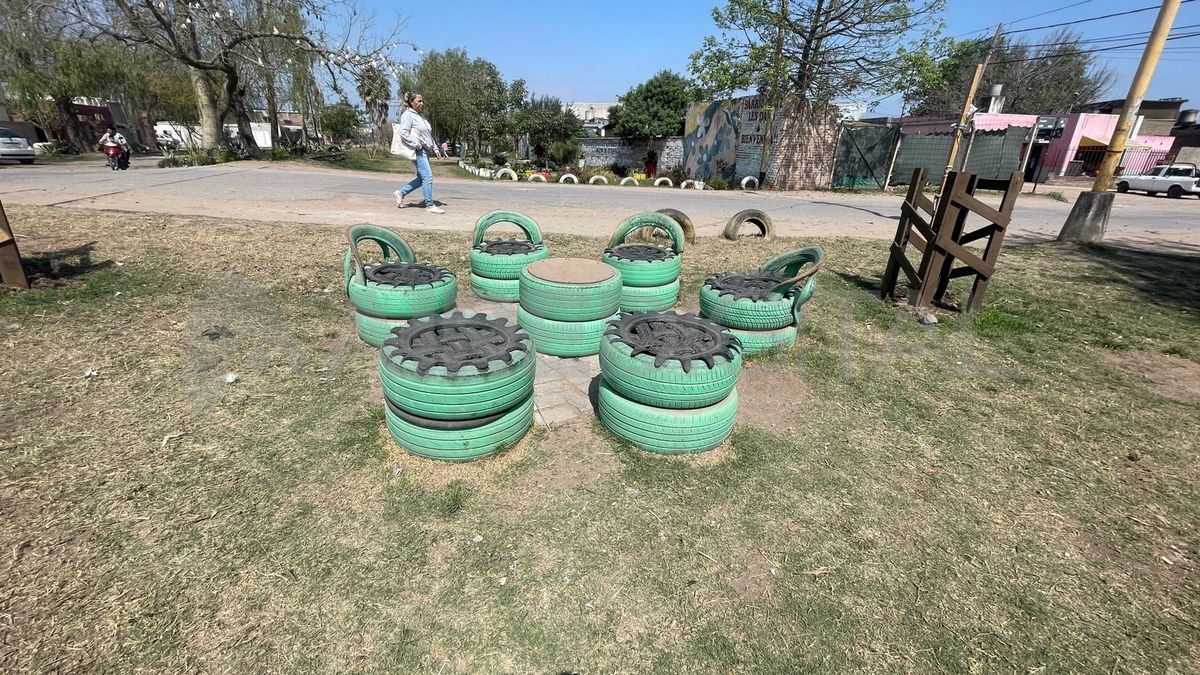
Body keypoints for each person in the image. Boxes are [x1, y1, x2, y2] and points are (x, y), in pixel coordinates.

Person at [393, 92, 443, 214]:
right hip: (419, 151)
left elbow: (427, 135)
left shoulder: (421, 116)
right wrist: (417, 145)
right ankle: (430, 205)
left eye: (422, 101)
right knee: (428, 177)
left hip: (426, 149)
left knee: (422, 178)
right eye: (419, 101)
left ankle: (401, 192)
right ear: (411, 102)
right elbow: (403, 133)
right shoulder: (408, 115)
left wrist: (435, 149)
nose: (422, 103)